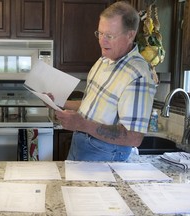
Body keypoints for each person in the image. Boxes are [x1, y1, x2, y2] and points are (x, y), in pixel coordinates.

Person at [53, 1, 157, 161]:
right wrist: (59, 102)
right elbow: (92, 105)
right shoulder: (103, 61)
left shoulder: (138, 74)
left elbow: (133, 137)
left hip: (105, 154)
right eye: (100, 33)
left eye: (109, 36)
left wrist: (82, 125)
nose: (102, 41)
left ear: (130, 34)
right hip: (80, 144)